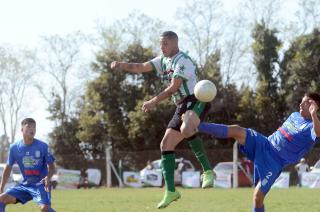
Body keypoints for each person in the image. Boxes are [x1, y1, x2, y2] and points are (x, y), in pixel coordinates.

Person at [110, 31, 214, 208]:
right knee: (165, 145)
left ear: (175, 43)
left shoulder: (183, 60)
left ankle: (208, 171)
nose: (162, 47)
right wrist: (121, 64)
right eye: (161, 44)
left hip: (195, 100)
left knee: (186, 128)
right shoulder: (163, 60)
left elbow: (174, 87)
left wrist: (153, 101)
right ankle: (171, 191)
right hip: (181, 105)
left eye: (165, 43)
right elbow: (142, 66)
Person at [195, 92, 320, 212]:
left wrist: (314, 115)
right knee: (237, 130)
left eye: (304, 103)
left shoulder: (312, 125)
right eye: (301, 102)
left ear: (312, 105)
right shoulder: (294, 115)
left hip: (274, 162)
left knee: (257, 198)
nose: (300, 104)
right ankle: (196, 125)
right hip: (265, 144)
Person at [0, 118, 56, 212]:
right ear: (22, 129)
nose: (32, 129)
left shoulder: (43, 146)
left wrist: (48, 177)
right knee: (1, 199)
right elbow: (8, 167)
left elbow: (52, 166)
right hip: (26, 185)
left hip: (41, 185)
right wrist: (1, 186)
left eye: (34, 127)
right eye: (29, 126)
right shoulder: (14, 148)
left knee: (45, 209)